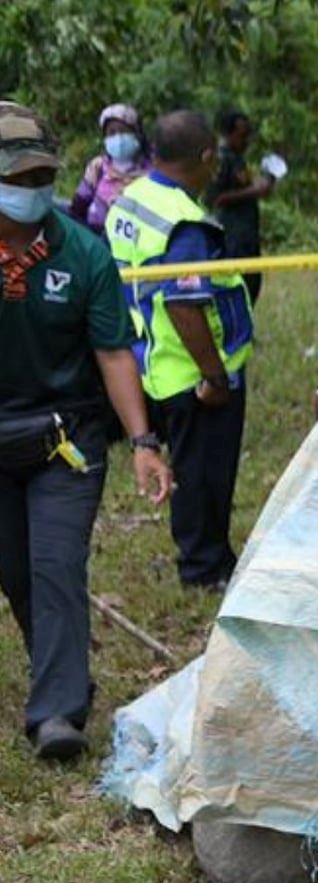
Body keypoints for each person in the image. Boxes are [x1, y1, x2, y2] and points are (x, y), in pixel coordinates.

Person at [0, 102, 171, 760]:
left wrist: (146, 444)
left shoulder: (84, 253)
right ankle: (59, 663)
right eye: (16, 178)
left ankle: (58, 713)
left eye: (40, 175)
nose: (30, 190)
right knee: (17, 571)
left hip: (63, 439)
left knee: (56, 565)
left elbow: (114, 353)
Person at [107, 110, 254, 592]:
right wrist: (214, 375)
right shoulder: (185, 224)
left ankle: (210, 557)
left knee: (193, 466)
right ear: (207, 157)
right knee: (204, 474)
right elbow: (185, 306)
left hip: (152, 360)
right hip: (191, 372)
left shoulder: (131, 201)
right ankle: (204, 568)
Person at [206, 109, 275, 303]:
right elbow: (216, 198)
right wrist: (253, 191)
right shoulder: (221, 159)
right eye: (242, 135)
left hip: (247, 233)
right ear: (229, 134)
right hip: (231, 235)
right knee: (238, 285)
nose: (247, 141)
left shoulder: (238, 159)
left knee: (252, 282)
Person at [68, 103, 153, 237]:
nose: (118, 137)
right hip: (95, 236)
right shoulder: (98, 167)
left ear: (137, 133)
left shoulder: (152, 171)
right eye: (112, 133)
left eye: (124, 131)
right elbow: (78, 206)